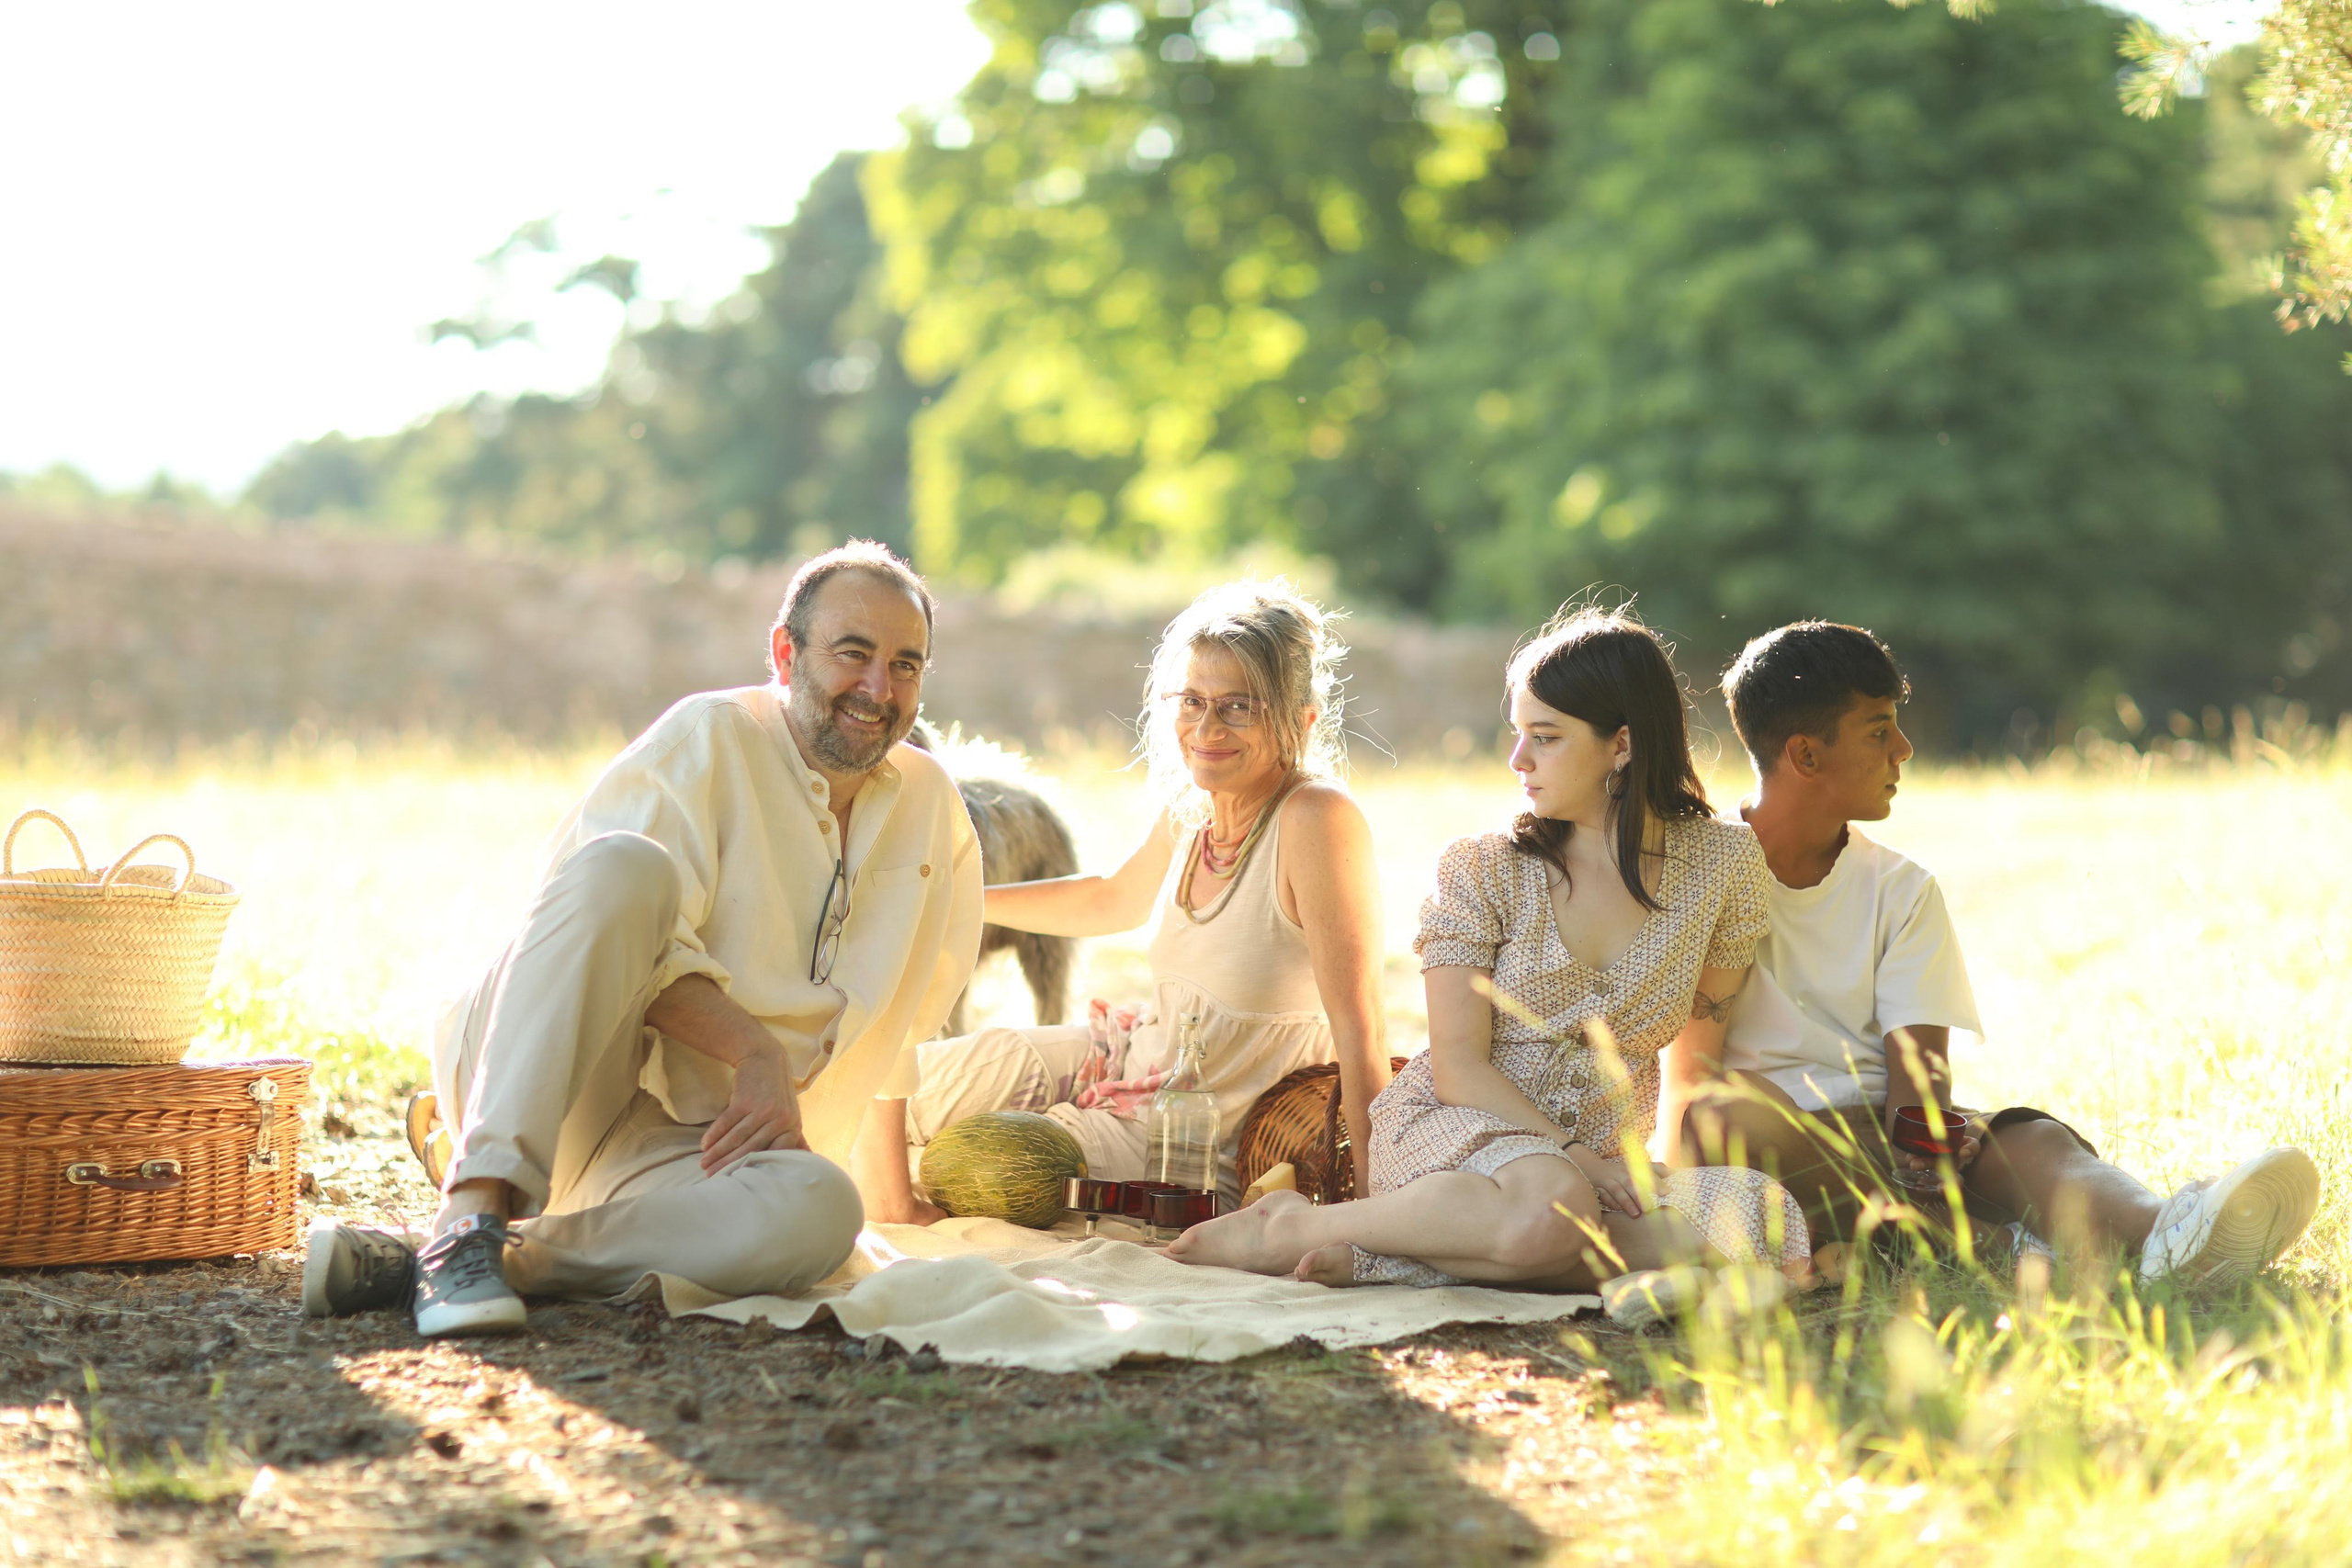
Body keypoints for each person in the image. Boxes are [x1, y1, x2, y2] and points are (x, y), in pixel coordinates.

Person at [300, 542, 982, 1337]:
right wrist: (753, 1050)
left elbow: (896, 1024)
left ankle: (489, 1257)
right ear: (785, 652)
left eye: (906, 664)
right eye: (853, 654)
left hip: (692, 1158)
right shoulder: (708, 736)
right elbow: (608, 923)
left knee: (826, 1208)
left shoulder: (934, 809)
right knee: (626, 866)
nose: (878, 687)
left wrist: (889, 1195)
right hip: (551, 1080)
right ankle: (471, 1208)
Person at [1171, 606, 1814, 1292]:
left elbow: (1696, 1061)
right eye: (1518, 734)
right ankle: (1293, 1228)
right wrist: (1576, 1163)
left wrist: (1651, 1181)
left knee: (1762, 1217)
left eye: (1546, 737)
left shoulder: (1724, 865)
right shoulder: (1485, 869)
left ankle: (1397, 1255)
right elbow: (1456, 1066)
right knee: (1555, 1210)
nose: (1518, 760)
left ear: (1621, 744)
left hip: (1590, 1166)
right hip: (1455, 1133)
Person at [1684, 621, 2319, 1286]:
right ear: (1805, 756)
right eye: (1878, 730)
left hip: (1898, 1137)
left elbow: (1919, 1070)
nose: (1902, 748)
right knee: (1726, 1117)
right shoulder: (1705, 872)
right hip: (1775, 1137)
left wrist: (1925, 1176)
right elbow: (1692, 1075)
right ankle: (1989, 1245)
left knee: (2028, 1140)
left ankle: (2167, 1230)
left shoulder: (1902, 889)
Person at [888, 581, 1387, 1206]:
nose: (1206, 727)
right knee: (899, 1086)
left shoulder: (1315, 818)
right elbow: (1110, 900)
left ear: (1300, 720)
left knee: (977, 1160)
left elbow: (1360, 1024)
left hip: (1196, 1132)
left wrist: (1372, 1208)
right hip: (1129, 1058)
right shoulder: (1192, 808)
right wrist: (954, 902)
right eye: (1192, 700)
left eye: (1239, 706)